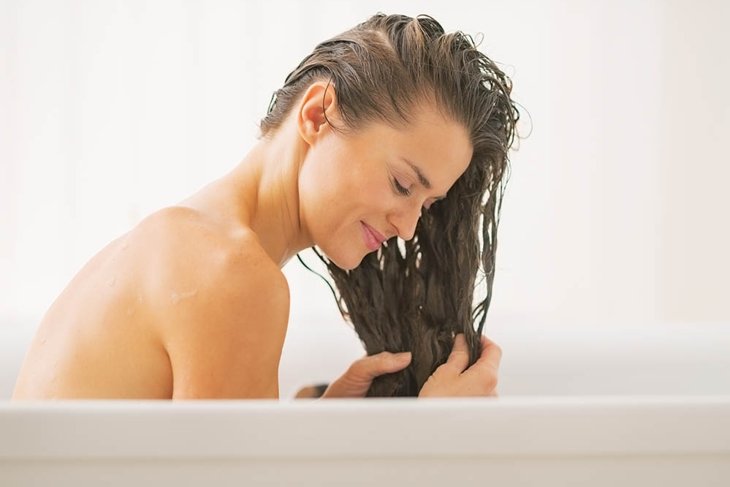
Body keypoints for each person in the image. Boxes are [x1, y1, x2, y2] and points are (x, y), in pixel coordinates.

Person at [12, 13, 518, 400]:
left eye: (426, 206)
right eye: (402, 183)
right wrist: (431, 441)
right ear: (319, 115)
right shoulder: (230, 273)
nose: (408, 229)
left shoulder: (188, 240)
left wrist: (314, 434)